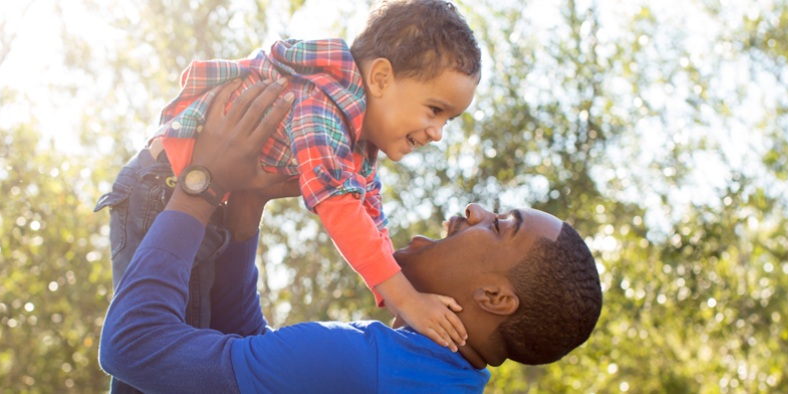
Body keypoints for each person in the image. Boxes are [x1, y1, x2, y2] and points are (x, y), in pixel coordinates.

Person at [99, 75, 603, 393]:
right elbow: (252, 355)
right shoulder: (428, 376)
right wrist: (247, 203)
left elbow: (132, 346)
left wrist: (200, 184)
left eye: (500, 225)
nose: (473, 209)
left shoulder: (368, 368)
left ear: (494, 297)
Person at [120, 0, 482, 352]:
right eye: (435, 110)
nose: (438, 133)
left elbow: (372, 218)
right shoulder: (321, 105)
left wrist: (405, 292)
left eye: (448, 120)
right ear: (381, 78)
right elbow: (340, 209)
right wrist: (408, 301)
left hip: (205, 201)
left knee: (193, 335)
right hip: (162, 188)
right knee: (165, 337)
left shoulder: (360, 144)